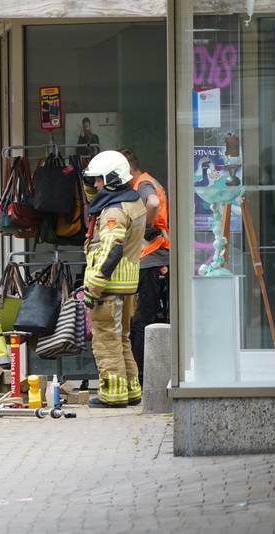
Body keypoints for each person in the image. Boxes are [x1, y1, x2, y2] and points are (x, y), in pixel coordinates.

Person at [81, 150, 146, 408]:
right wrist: (89, 182)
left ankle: (112, 395)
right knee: (122, 339)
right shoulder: (132, 201)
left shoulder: (114, 212)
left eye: (99, 180)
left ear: (112, 179)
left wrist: (93, 287)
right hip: (127, 285)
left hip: (108, 288)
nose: (95, 185)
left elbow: (111, 249)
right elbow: (94, 197)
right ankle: (131, 390)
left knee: (106, 341)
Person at [119, 149, 169, 381]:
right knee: (150, 317)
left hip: (152, 257)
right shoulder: (148, 180)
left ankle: (141, 375)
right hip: (156, 257)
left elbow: (153, 203)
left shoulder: (143, 184)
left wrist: (144, 227)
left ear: (129, 170)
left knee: (142, 320)